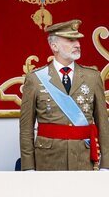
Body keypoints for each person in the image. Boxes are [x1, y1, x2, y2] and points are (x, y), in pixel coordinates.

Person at [20, 19, 109, 171]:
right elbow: (26, 127)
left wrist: (106, 165)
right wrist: (28, 168)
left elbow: (103, 124)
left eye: (78, 40)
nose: (78, 44)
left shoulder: (92, 77)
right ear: (54, 46)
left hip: (82, 159)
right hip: (47, 160)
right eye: (70, 40)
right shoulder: (35, 79)